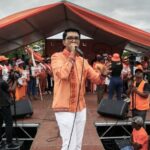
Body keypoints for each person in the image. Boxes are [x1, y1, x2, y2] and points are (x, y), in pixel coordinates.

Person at [51, 28, 111, 150]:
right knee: (69, 145)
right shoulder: (56, 57)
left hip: (80, 108)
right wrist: (72, 55)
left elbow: (96, 79)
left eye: (76, 38)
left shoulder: (83, 61)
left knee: (78, 145)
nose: (73, 40)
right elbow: (63, 74)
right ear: (63, 42)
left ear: (79, 42)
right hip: (64, 108)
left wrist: (103, 74)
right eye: (70, 38)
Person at [0, 58, 20, 149]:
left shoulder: (2, 82)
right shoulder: (1, 81)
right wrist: (15, 80)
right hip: (4, 105)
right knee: (9, 123)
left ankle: (1, 142)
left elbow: (5, 86)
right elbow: (11, 89)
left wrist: (10, 81)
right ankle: (9, 143)